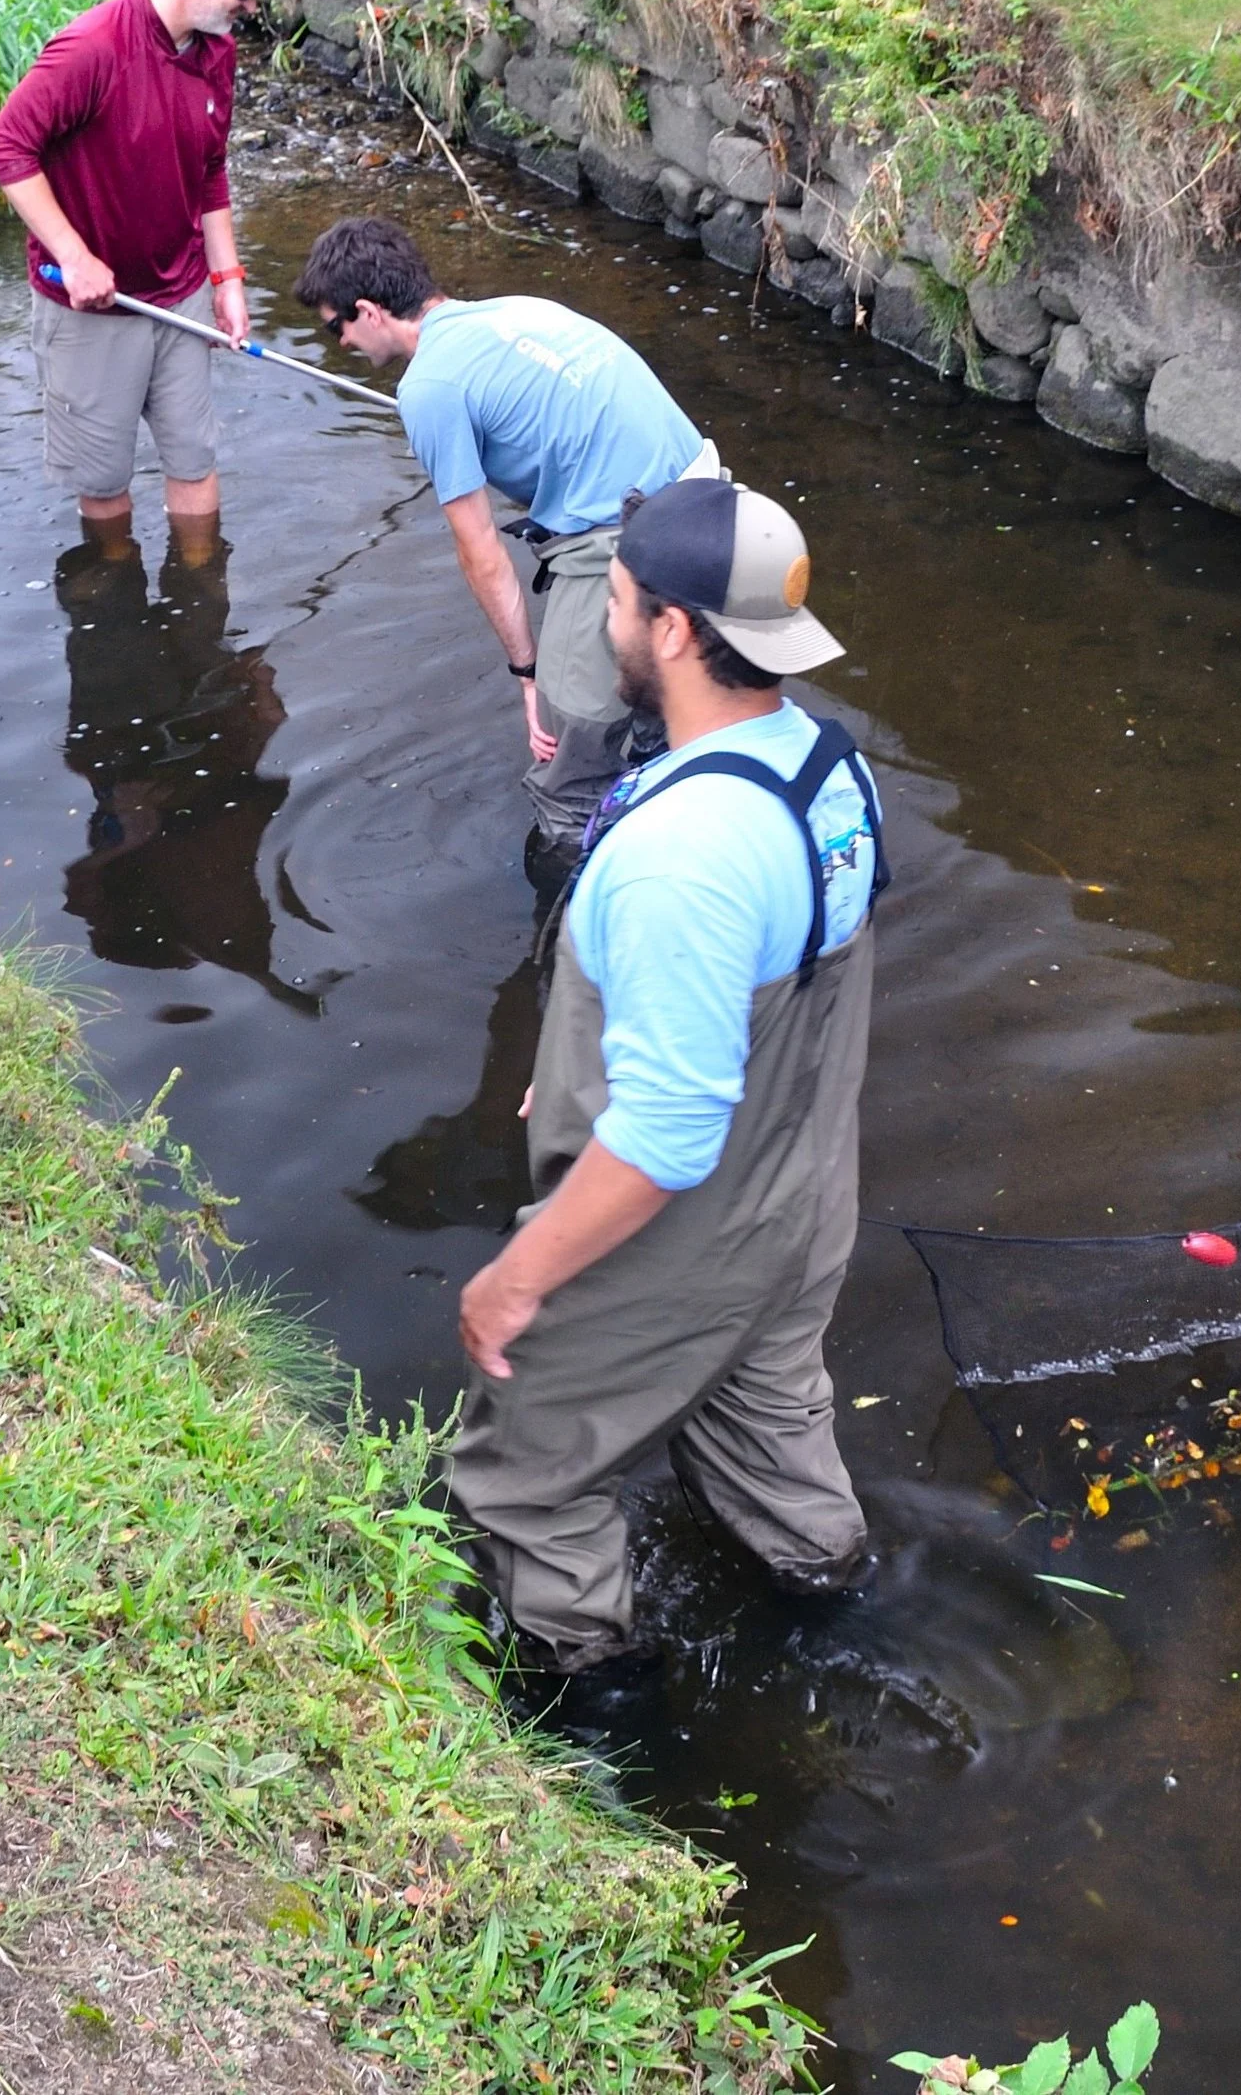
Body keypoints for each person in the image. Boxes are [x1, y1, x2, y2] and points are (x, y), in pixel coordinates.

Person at [444, 476, 887, 1672]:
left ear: (675, 629)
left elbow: (669, 1135)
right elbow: (754, 995)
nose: (604, 617)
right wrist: (581, 1056)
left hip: (682, 1235)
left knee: (521, 1479)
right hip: (802, 1202)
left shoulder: (680, 854)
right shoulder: (830, 770)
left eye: (619, 600)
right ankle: (843, 1626)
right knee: (769, 1440)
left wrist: (514, 1282)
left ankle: (599, 1730)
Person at [293, 217, 714, 869]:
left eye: (336, 327)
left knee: (569, 772)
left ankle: (575, 915)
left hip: (628, 538)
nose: (341, 341)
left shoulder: (427, 389)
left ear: (369, 312)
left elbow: (482, 552)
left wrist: (528, 672)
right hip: (710, 505)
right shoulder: (518, 309)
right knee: (670, 724)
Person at [0, 0, 291, 566]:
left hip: (181, 295)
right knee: (103, 484)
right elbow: (7, 147)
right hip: (93, 308)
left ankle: (201, 599)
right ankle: (116, 594)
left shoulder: (217, 52)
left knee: (195, 460)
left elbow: (211, 169)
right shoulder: (92, 49)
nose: (251, 6)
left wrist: (228, 281)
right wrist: (74, 256)